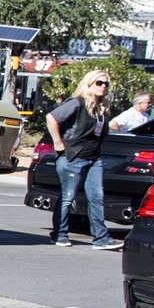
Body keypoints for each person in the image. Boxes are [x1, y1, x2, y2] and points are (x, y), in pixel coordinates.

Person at [44, 70, 119, 250]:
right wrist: (57, 142)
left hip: (93, 157)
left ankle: (101, 238)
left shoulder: (102, 108)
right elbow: (51, 117)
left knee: (97, 197)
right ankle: (59, 234)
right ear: (89, 84)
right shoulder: (77, 103)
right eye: (99, 83)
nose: (103, 87)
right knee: (68, 197)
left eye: (106, 84)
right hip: (73, 156)